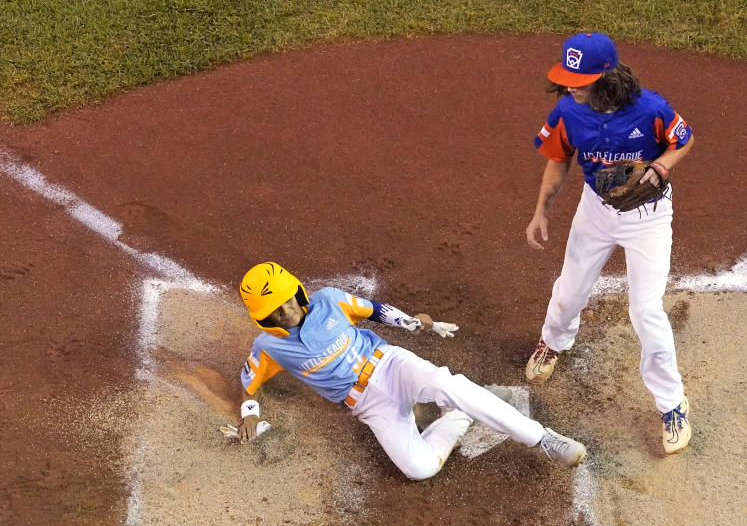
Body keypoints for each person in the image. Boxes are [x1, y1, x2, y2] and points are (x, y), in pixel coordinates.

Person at [222, 262, 587, 480]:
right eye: (277, 311)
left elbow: (374, 310)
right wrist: (250, 414)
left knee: (445, 383)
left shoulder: (330, 300)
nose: (288, 311)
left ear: (298, 290)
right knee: (419, 468)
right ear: (263, 318)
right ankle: (465, 413)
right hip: (367, 405)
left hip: (390, 365)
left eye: (289, 300)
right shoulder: (268, 347)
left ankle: (543, 440)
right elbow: (249, 386)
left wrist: (413, 323)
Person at [523, 32, 694, 455]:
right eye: (566, 78)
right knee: (570, 291)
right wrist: (541, 211)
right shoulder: (567, 111)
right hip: (596, 211)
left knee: (646, 311)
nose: (569, 86)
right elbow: (558, 162)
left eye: (577, 79)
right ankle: (554, 341)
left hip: (648, 219)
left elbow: (685, 140)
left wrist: (660, 166)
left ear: (604, 75)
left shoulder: (651, 108)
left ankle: (672, 405)